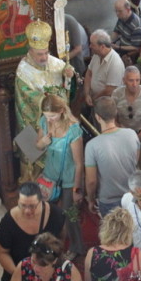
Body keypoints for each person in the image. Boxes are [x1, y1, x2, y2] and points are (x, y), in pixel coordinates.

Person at [15, 20, 72, 177]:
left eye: (46, 53)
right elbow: (25, 97)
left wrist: (68, 74)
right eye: (40, 54)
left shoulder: (54, 62)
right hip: (37, 121)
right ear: (30, 51)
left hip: (58, 121)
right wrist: (47, 102)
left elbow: (68, 80)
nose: (44, 57)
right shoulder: (23, 71)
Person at [36, 94, 84, 259]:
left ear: (62, 111)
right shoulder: (44, 122)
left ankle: (77, 247)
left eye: (52, 116)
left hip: (69, 179)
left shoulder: (73, 130)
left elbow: (79, 163)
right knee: (49, 213)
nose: (49, 119)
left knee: (70, 215)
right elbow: (37, 146)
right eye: (46, 115)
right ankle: (51, 244)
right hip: (50, 177)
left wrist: (77, 189)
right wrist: (42, 143)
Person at [85, 97, 140, 217]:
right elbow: (135, 160)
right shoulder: (132, 134)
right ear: (115, 113)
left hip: (108, 201)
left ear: (97, 117)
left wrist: (91, 199)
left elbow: (91, 181)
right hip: (132, 195)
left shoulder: (92, 146)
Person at [112, 66, 141, 172]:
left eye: (137, 80)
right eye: (131, 80)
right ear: (124, 81)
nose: (135, 84)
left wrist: (137, 138)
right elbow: (113, 119)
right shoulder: (117, 94)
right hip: (123, 136)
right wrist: (125, 136)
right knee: (123, 168)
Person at [84, 29, 125, 107]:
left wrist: (93, 99)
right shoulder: (96, 55)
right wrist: (87, 94)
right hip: (93, 98)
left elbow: (109, 91)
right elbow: (89, 74)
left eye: (92, 44)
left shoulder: (115, 63)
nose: (90, 46)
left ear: (102, 47)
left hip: (107, 104)